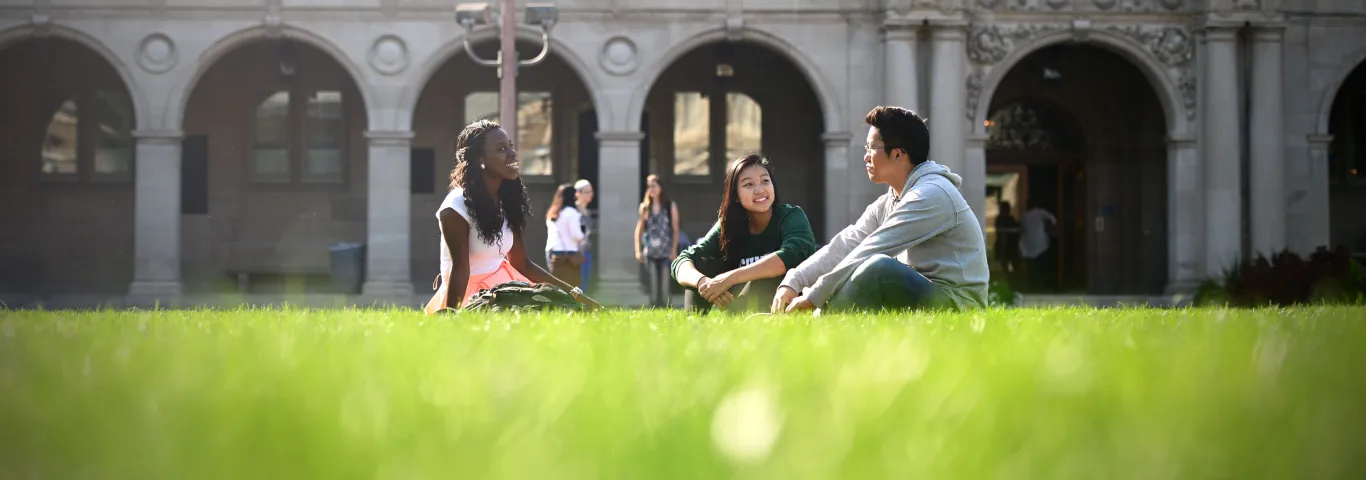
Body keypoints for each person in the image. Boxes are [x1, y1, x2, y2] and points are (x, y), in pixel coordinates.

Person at [772, 106, 990, 314]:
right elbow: (847, 244)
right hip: (924, 294)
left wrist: (813, 297)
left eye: (871, 148)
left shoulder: (931, 194)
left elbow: (870, 250)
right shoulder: (890, 200)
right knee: (868, 264)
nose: (866, 156)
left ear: (897, 155)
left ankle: (814, 322)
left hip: (958, 304)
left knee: (879, 268)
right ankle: (804, 318)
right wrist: (794, 280)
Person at [423, 120, 601, 314]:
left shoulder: (505, 200)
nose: (513, 153)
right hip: (471, 296)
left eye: (511, 146)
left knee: (564, 314)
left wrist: (578, 297)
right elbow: (459, 269)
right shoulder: (455, 207)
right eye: (501, 149)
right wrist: (451, 315)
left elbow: (522, 263)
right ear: (480, 160)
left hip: (506, 288)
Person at [671, 154, 817, 313]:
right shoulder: (728, 224)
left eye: (765, 181)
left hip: (789, 297)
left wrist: (729, 279)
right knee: (701, 265)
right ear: (735, 196)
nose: (760, 190)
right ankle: (695, 322)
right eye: (749, 184)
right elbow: (683, 260)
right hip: (738, 300)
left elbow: (791, 255)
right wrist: (703, 283)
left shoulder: (791, 216)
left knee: (763, 280)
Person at [634, 174, 680, 307]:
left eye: (654, 186)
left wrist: (674, 250)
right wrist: (638, 250)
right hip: (651, 252)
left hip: (666, 251)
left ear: (660, 187)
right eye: (649, 187)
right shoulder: (645, 207)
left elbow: (675, 229)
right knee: (653, 286)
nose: (651, 189)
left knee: (665, 287)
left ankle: (666, 308)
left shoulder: (670, 206)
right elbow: (639, 230)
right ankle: (653, 307)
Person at [544, 183, 585, 288]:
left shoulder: (553, 212)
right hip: (569, 254)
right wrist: (583, 234)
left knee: (556, 284)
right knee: (571, 285)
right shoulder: (571, 212)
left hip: (553, 251)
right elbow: (576, 235)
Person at [1018, 199, 1057, 291]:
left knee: (1033, 267)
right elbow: (1053, 220)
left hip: (1029, 245)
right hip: (1042, 244)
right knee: (1042, 266)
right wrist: (1052, 229)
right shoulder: (1040, 212)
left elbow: (1021, 228)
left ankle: (1033, 285)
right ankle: (1042, 285)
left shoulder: (1024, 216)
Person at [573, 179, 595, 291]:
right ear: (578, 193)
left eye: (591, 191)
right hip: (575, 252)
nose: (590, 194)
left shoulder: (587, 211)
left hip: (586, 251)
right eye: (587, 192)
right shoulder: (573, 210)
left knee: (585, 283)